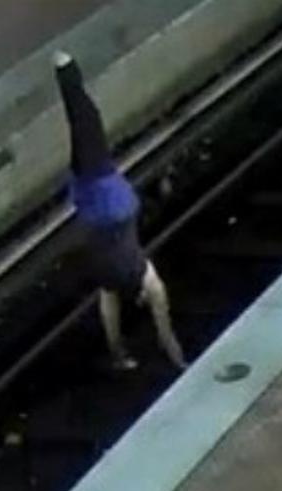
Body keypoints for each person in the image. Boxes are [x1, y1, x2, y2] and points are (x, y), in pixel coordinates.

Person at [53, 51, 186, 370]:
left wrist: (181, 359)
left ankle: (64, 66)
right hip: (90, 203)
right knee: (81, 126)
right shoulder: (110, 285)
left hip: (107, 195)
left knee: (87, 120)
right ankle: (65, 73)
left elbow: (165, 328)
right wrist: (177, 364)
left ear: (143, 298)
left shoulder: (150, 281)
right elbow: (150, 331)